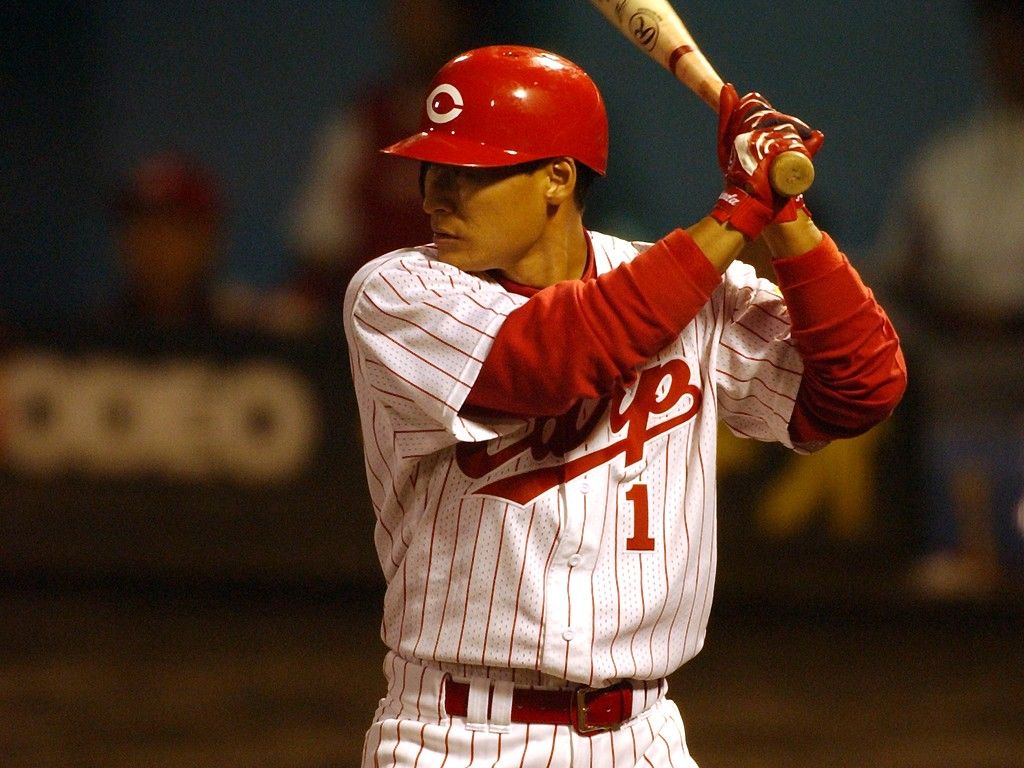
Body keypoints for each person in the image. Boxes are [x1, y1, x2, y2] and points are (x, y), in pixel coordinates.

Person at [343, 46, 906, 767]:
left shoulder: (682, 286)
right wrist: (739, 208)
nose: (434, 197)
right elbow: (555, 358)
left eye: (469, 173)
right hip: (457, 735)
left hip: (642, 735)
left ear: (557, 177)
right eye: (432, 169)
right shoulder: (397, 292)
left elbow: (861, 388)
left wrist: (784, 213)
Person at [876, 0, 1024, 598]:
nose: (1011, 51)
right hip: (956, 371)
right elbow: (900, 274)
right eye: (1001, 35)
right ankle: (962, 551)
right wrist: (952, 314)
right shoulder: (948, 163)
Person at [280, 0, 499, 331]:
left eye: (430, 13)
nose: (416, 26)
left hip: (472, 323)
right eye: (406, 13)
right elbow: (320, 244)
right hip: (374, 325)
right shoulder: (368, 118)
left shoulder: (493, 119)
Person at [103, 152, 226, 332]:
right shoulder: (85, 338)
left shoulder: (242, 333)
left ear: (207, 241)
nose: (158, 245)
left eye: (176, 228)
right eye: (144, 228)